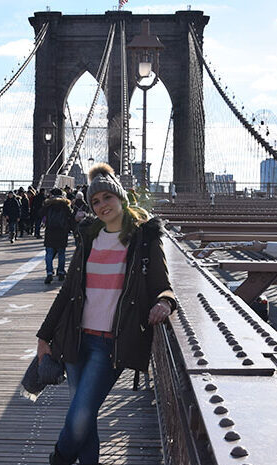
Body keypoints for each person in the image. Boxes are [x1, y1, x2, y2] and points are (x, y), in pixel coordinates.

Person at [36, 163, 176, 465]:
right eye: (95, 201)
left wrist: (164, 303)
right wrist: (43, 337)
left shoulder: (145, 237)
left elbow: (163, 286)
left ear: (121, 197)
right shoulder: (89, 237)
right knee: (86, 417)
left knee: (81, 414)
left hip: (109, 345)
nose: (101, 206)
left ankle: (58, 459)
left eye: (107, 198)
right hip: (74, 338)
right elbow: (67, 292)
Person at [41, 188, 73, 284]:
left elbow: (40, 214)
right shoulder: (65, 205)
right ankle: (61, 272)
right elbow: (71, 216)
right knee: (61, 253)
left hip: (50, 231)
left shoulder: (48, 205)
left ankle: (49, 273)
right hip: (62, 232)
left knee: (49, 254)